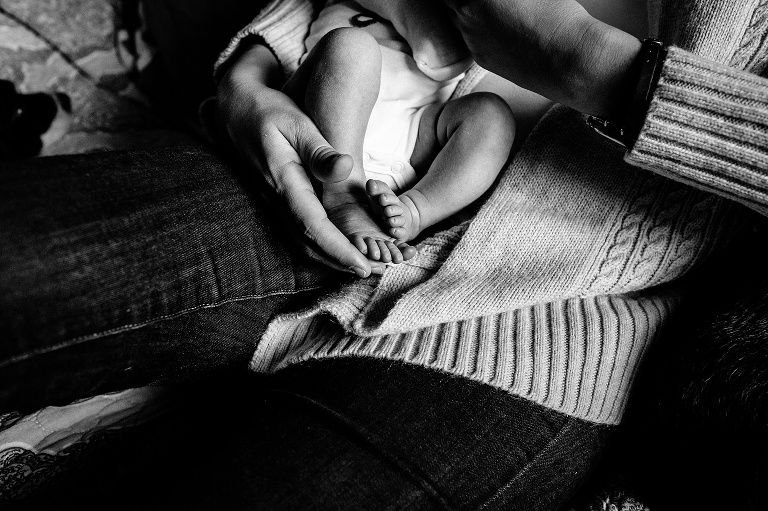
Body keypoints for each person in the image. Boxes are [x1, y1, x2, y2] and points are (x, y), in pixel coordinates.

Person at [1, 0, 767, 509]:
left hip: (561, 311)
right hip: (351, 161)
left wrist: (603, 73)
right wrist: (256, 67)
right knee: (26, 264)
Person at [275, 1, 515, 265]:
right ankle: (343, 194)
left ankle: (416, 209)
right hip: (322, 119)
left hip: (412, 132)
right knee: (352, 45)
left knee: (491, 113)